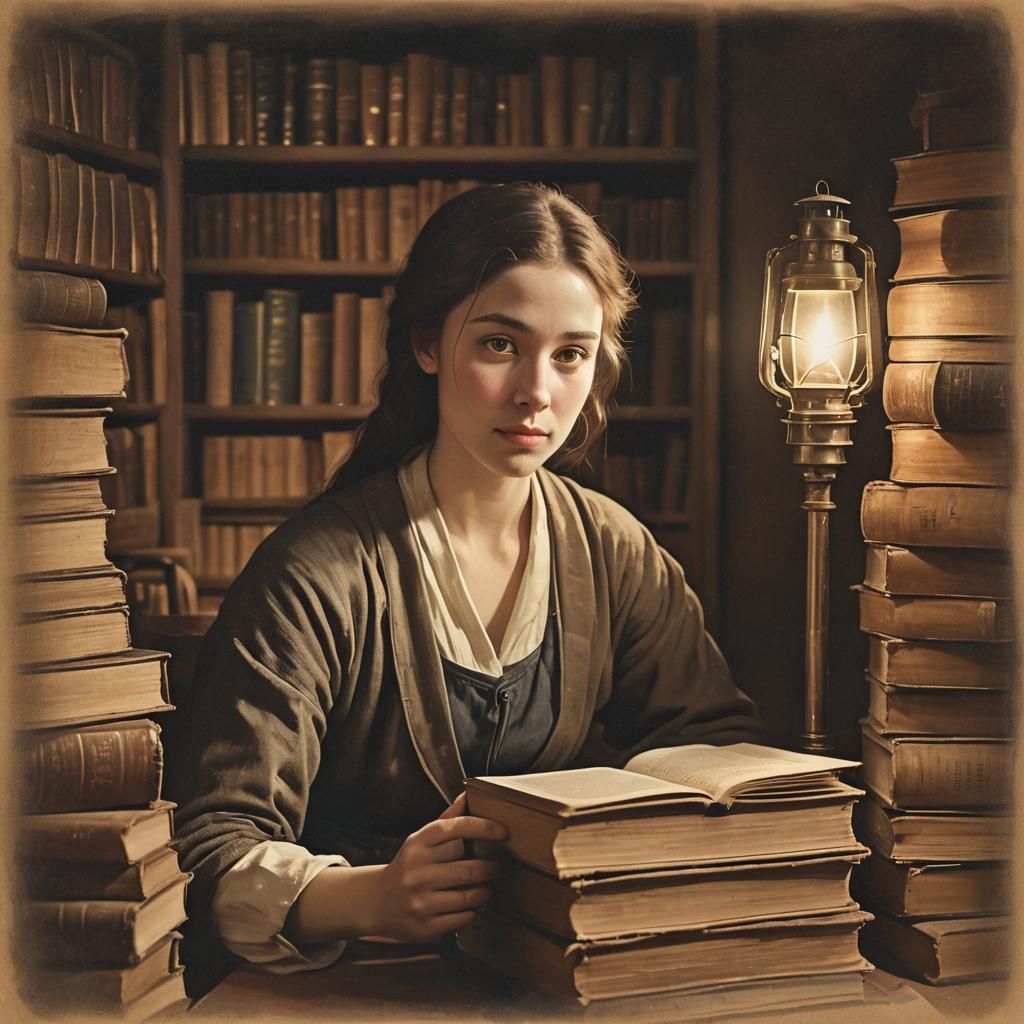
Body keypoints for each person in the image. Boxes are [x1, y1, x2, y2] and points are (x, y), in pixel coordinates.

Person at [169, 182, 763, 985]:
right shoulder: (319, 571)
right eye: (499, 345)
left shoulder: (614, 549)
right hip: (349, 982)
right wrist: (372, 897)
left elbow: (713, 750)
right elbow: (213, 851)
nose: (537, 393)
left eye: (570, 354)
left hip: (557, 968)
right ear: (425, 344)